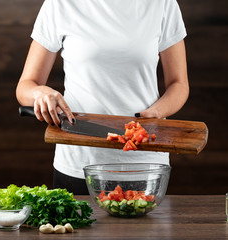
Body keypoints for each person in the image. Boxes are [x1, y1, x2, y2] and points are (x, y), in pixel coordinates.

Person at [16, 0, 189, 194]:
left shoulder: (162, 4)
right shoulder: (60, 4)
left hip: (145, 161)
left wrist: (155, 113)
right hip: (78, 161)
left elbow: (179, 84)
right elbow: (26, 85)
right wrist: (41, 93)